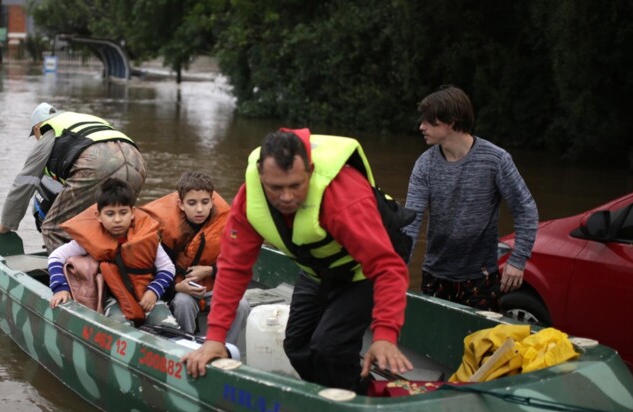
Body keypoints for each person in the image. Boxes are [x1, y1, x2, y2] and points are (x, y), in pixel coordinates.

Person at [182, 129, 413, 391]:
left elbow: (387, 268)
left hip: (365, 270)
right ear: (260, 176)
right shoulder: (248, 201)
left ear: (310, 171)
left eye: (296, 185)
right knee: (296, 345)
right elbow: (233, 268)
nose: (287, 197)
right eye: (276, 188)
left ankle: (362, 401)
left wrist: (384, 334)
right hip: (319, 268)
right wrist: (215, 338)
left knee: (329, 347)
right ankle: (327, 395)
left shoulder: (343, 198)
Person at [404, 85, 538, 310]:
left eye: (429, 121)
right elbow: (411, 220)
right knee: (434, 342)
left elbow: (526, 210)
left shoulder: (496, 160)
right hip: (434, 274)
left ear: (452, 121)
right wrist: (397, 265)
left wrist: (518, 259)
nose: (421, 126)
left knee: (479, 344)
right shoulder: (424, 164)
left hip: (480, 277)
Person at [0, 103, 147, 251]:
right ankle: (122, 270)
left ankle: (66, 277)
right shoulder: (78, 120)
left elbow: (25, 181)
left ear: (37, 128)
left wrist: (6, 224)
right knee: (116, 221)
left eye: (35, 135)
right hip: (136, 160)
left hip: (98, 160)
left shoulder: (50, 131)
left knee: (53, 228)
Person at [48, 178, 180, 329]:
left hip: (146, 296)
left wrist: (154, 291)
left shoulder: (147, 237)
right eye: (110, 214)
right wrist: (60, 288)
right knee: (120, 326)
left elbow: (167, 268)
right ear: (98, 216)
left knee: (169, 328)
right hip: (112, 299)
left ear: (132, 213)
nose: (117, 220)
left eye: (123, 213)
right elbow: (55, 257)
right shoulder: (89, 240)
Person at [143, 171, 250, 343]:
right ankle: (187, 346)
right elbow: (155, 271)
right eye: (192, 203)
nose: (199, 209)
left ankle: (225, 347)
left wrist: (209, 270)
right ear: (181, 205)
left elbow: (239, 264)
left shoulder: (228, 224)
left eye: (204, 202)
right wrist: (177, 288)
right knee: (182, 303)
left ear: (212, 203)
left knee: (241, 304)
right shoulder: (167, 230)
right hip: (182, 288)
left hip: (214, 287)